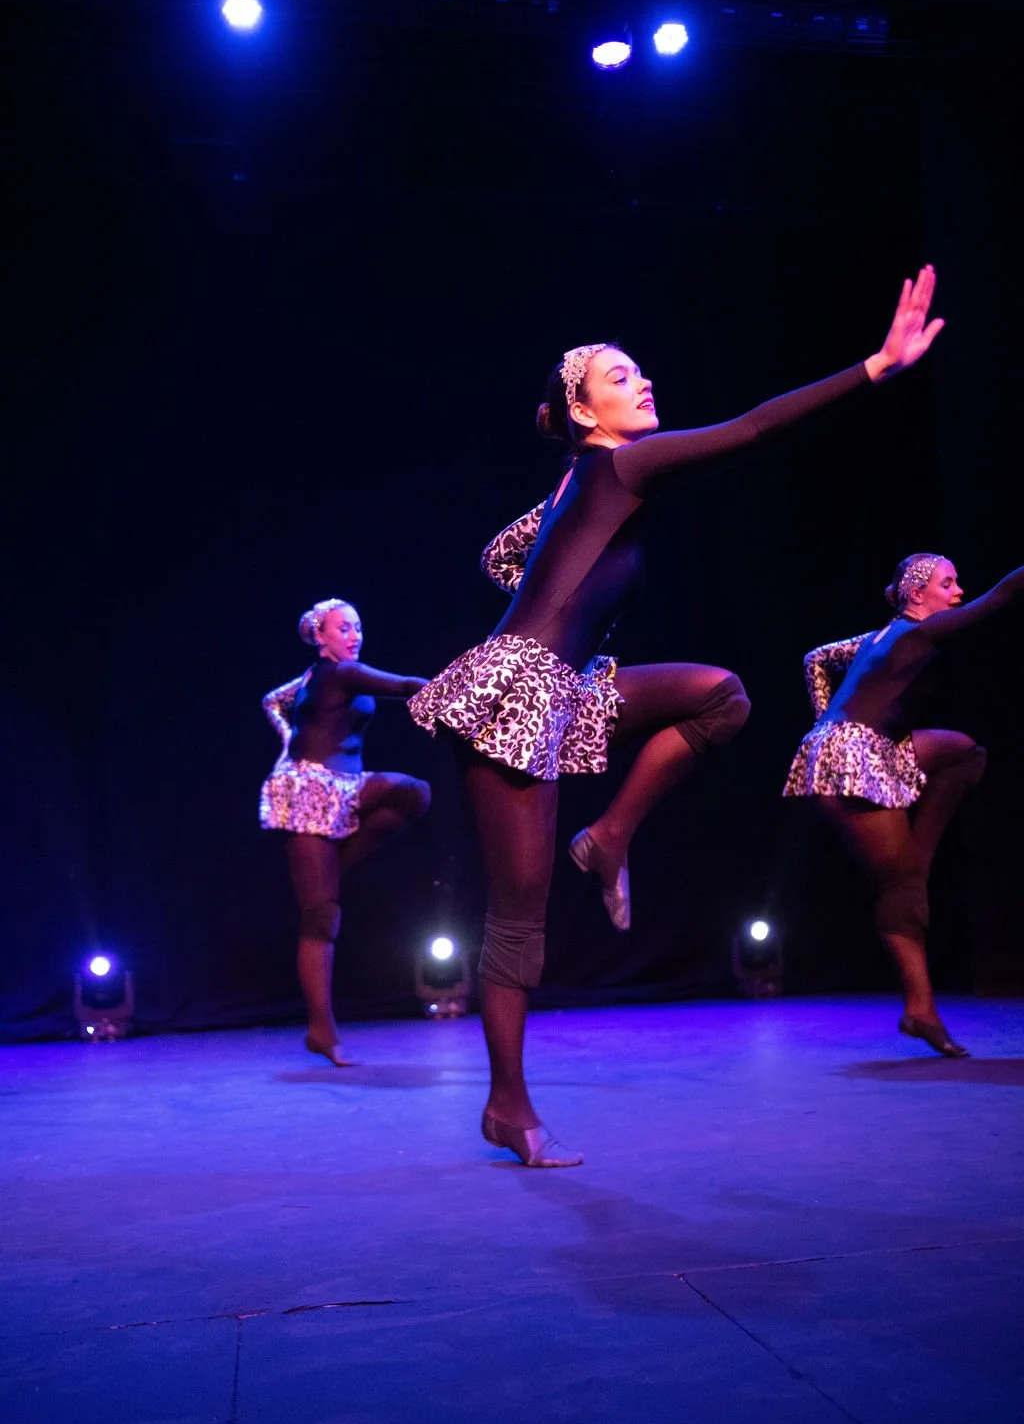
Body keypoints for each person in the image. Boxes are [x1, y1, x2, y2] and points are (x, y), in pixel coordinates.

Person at [409, 267, 945, 1166]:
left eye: (640, 371)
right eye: (620, 378)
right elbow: (753, 429)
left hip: (564, 684)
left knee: (720, 696)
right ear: (585, 412)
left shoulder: (583, 478)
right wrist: (875, 367)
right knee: (519, 915)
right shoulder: (621, 462)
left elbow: (500, 555)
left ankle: (611, 837)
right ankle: (508, 1106)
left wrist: (548, 573)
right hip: (516, 690)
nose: (643, 382)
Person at [784, 552, 1024, 1056]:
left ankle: (918, 866)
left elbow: (815, 658)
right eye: (948, 583)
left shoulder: (878, 636)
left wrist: (824, 724)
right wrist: (834, 734)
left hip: (863, 746)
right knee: (901, 887)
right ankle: (919, 1007)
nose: (958, 591)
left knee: (963, 753)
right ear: (917, 596)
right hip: (852, 756)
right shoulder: (917, 632)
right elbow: (1002, 596)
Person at [261, 598, 430, 1065]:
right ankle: (322, 1031)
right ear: (321, 637)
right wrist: (452, 695)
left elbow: (271, 700)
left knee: (414, 793)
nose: (353, 635)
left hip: (347, 786)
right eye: (343, 628)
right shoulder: (335, 673)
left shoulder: (315, 678)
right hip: (310, 792)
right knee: (322, 917)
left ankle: (332, 869)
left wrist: (287, 734)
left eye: (357, 627)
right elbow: (401, 685)